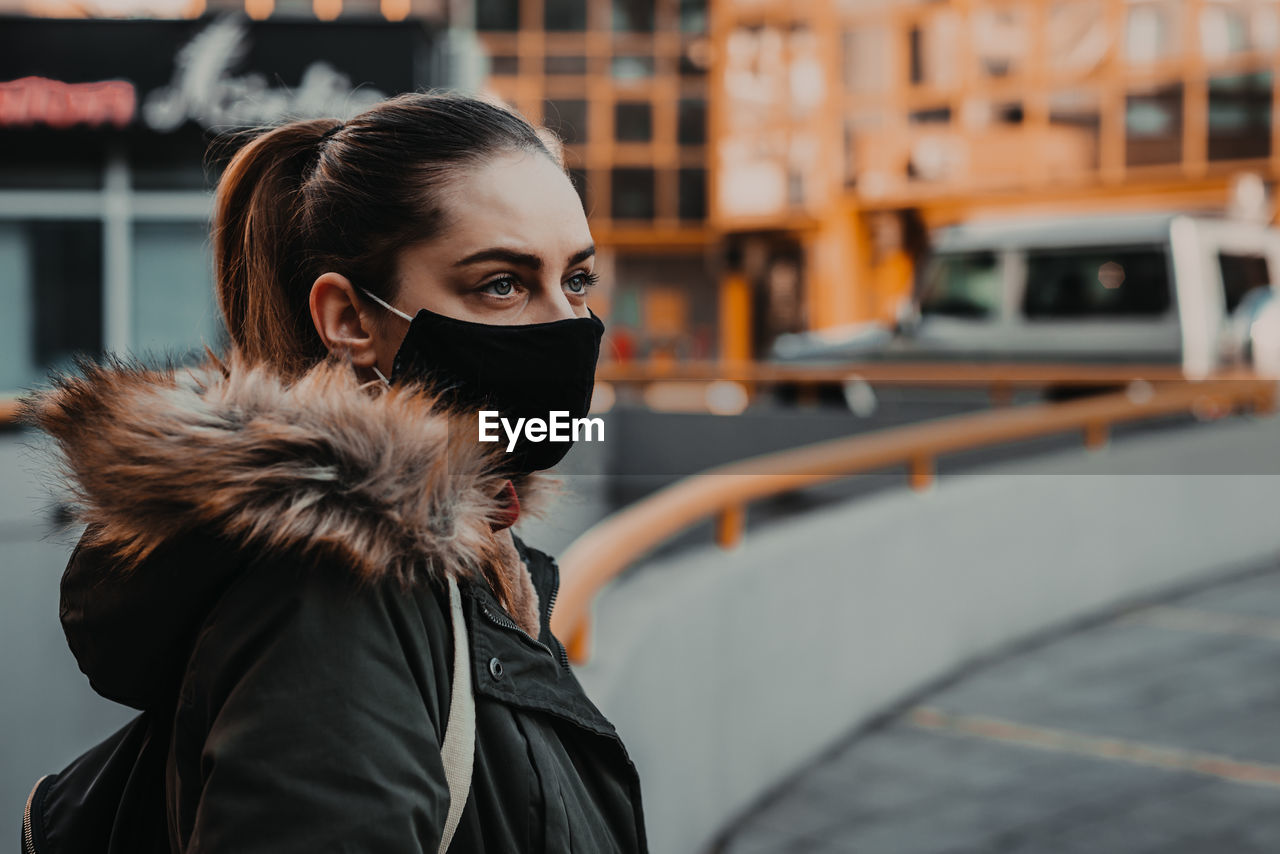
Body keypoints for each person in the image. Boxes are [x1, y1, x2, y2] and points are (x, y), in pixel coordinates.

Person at [25, 91, 648, 853]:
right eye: (503, 285)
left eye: (577, 280)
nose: (566, 325)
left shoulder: (466, 556)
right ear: (351, 320)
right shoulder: (339, 598)